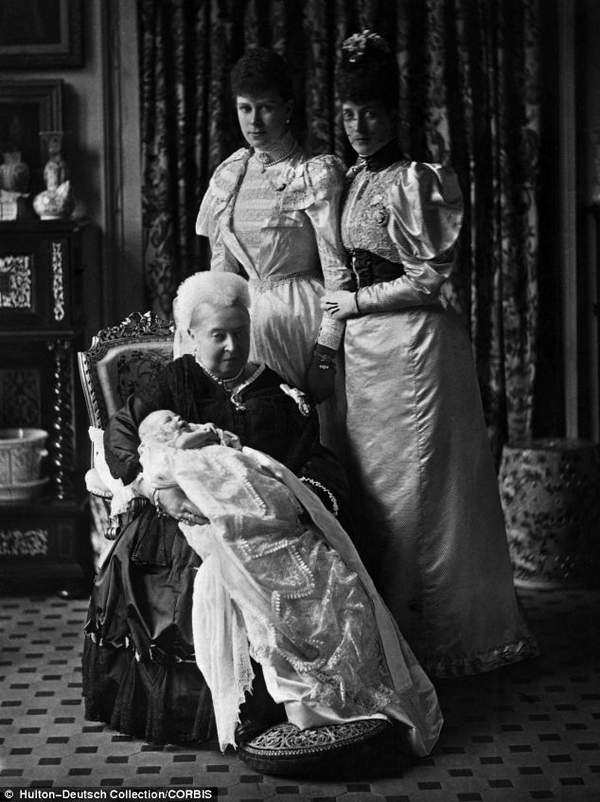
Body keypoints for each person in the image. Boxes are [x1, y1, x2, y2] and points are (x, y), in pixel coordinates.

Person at [321, 30, 539, 678]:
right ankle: (390, 635)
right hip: (367, 356)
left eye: (370, 113)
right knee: (377, 494)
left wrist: (356, 303)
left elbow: (428, 278)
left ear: (393, 115)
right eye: (349, 113)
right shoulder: (352, 178)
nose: (359, 126)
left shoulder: (416, 181)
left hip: (415, 349)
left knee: (418, 495)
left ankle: (437, 640)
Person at [82, 271, 348, 745]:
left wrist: (303, 498)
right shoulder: (174, 381)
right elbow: (122, 434)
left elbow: (309, 453)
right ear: (192, 335)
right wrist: (156, 489)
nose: (231, 346)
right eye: (218, 335)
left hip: (261, 516)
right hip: (183, 516)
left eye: (240, 334)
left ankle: (307, 700)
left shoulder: (272, 387)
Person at [137, 409, 442, 756]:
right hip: (242, 537)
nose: (177, 420)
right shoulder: (164, 457)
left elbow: (246, 460)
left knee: (337, 591)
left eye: (176, 416)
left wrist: (216, 439)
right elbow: (160, 474)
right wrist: (186, 450)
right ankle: (316, 708)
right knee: (278, 616)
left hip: (279, 522)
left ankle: (359, 693)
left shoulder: (214, 435)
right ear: (151, 439)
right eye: (167, 421)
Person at [195, 47, 347, 428]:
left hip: (302, 324)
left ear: (287, 109)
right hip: (246, 330)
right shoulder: (229, 174)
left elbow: (337, 274)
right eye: (245, 108)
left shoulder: (315, 174)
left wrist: (326, 352)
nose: (254, 121)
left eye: (266, 108)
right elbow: (221, 273)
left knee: (305, 434)